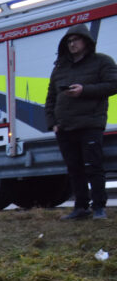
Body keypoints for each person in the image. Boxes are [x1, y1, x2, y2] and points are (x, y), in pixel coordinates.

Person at [45, 24, 117, 220]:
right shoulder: (60, 67)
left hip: (90, 124)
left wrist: (83, 90)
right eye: (69, 41)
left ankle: (99, 208)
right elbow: (51, 96)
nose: (72, 44)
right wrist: (53, 123)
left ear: (86, 41)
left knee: (94, 167)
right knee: (74, 169)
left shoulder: (102, 62)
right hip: (65, 127)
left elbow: (113, 84)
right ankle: (81, 207)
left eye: (75, 39)